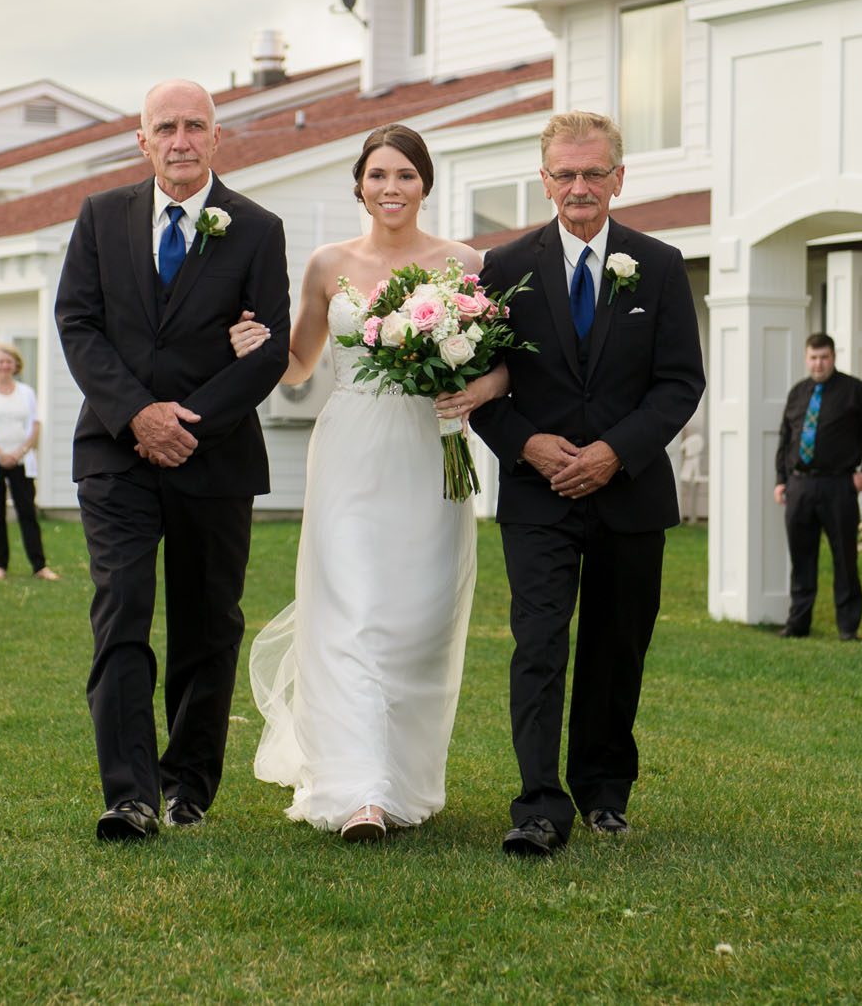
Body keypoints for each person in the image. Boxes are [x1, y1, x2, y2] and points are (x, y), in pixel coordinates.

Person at [229, 124, 485, 843]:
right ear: (359, 185)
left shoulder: (464, 263)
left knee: (420, 619)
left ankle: (402, 777)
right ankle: (359, 790)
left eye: (405, 174)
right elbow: (299, 363)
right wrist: (258, 348)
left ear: (425, 184)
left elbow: (494, 361)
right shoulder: (326, 263)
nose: (391, 188)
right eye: (378, 175)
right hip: (347, 451)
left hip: (430, 452)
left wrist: (471, 386)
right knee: (351, 612)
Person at [55, 78, 290, 842]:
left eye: (195, 126)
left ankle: (188, 778)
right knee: (122, 608)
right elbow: (79, 323)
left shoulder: (257, 229)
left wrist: (189, 422)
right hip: (116, 451)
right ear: (143, 141)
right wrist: (137, 416)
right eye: (167, 127)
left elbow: (269, 350)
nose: (181, 139)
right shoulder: (100, 217)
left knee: (207, 623)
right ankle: (129, 792)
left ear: (217, 137)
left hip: (213, 453)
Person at [467, 110, 705, 858]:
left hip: (629, 492)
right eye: (565, 174)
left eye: (593, 172)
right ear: (544, 180)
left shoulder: (659, 264)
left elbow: (679, 383)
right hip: (536, 495)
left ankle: (604, 793)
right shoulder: (503, 267)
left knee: (615, 646)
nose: (579, 186)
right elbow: (480, 389)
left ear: (618, 178)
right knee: (538, 643)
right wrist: (529, 444)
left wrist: (612, 452)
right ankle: (539, 804)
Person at [772, 335, 862, 641]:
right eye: (813, 357)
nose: (818, 363)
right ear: (806, 358)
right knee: (801, 557)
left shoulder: (854, 391)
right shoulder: (798, 393)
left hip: (839, 485)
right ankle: (798, 624)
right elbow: (785, 439)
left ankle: (848, 627)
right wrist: (781, 480)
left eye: (823, 357)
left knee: (845, 557)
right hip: (800, 486)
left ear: (833, 357)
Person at [0, 341, 58, 582]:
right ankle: (0, 566)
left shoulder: (27, 392)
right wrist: (0, 453)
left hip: (21, 461)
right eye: (0, 361)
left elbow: (35, 426)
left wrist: (19, 452)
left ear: (16, 364)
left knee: (27, 513)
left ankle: (40, 566)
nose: (5, 365)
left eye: (9, 361)